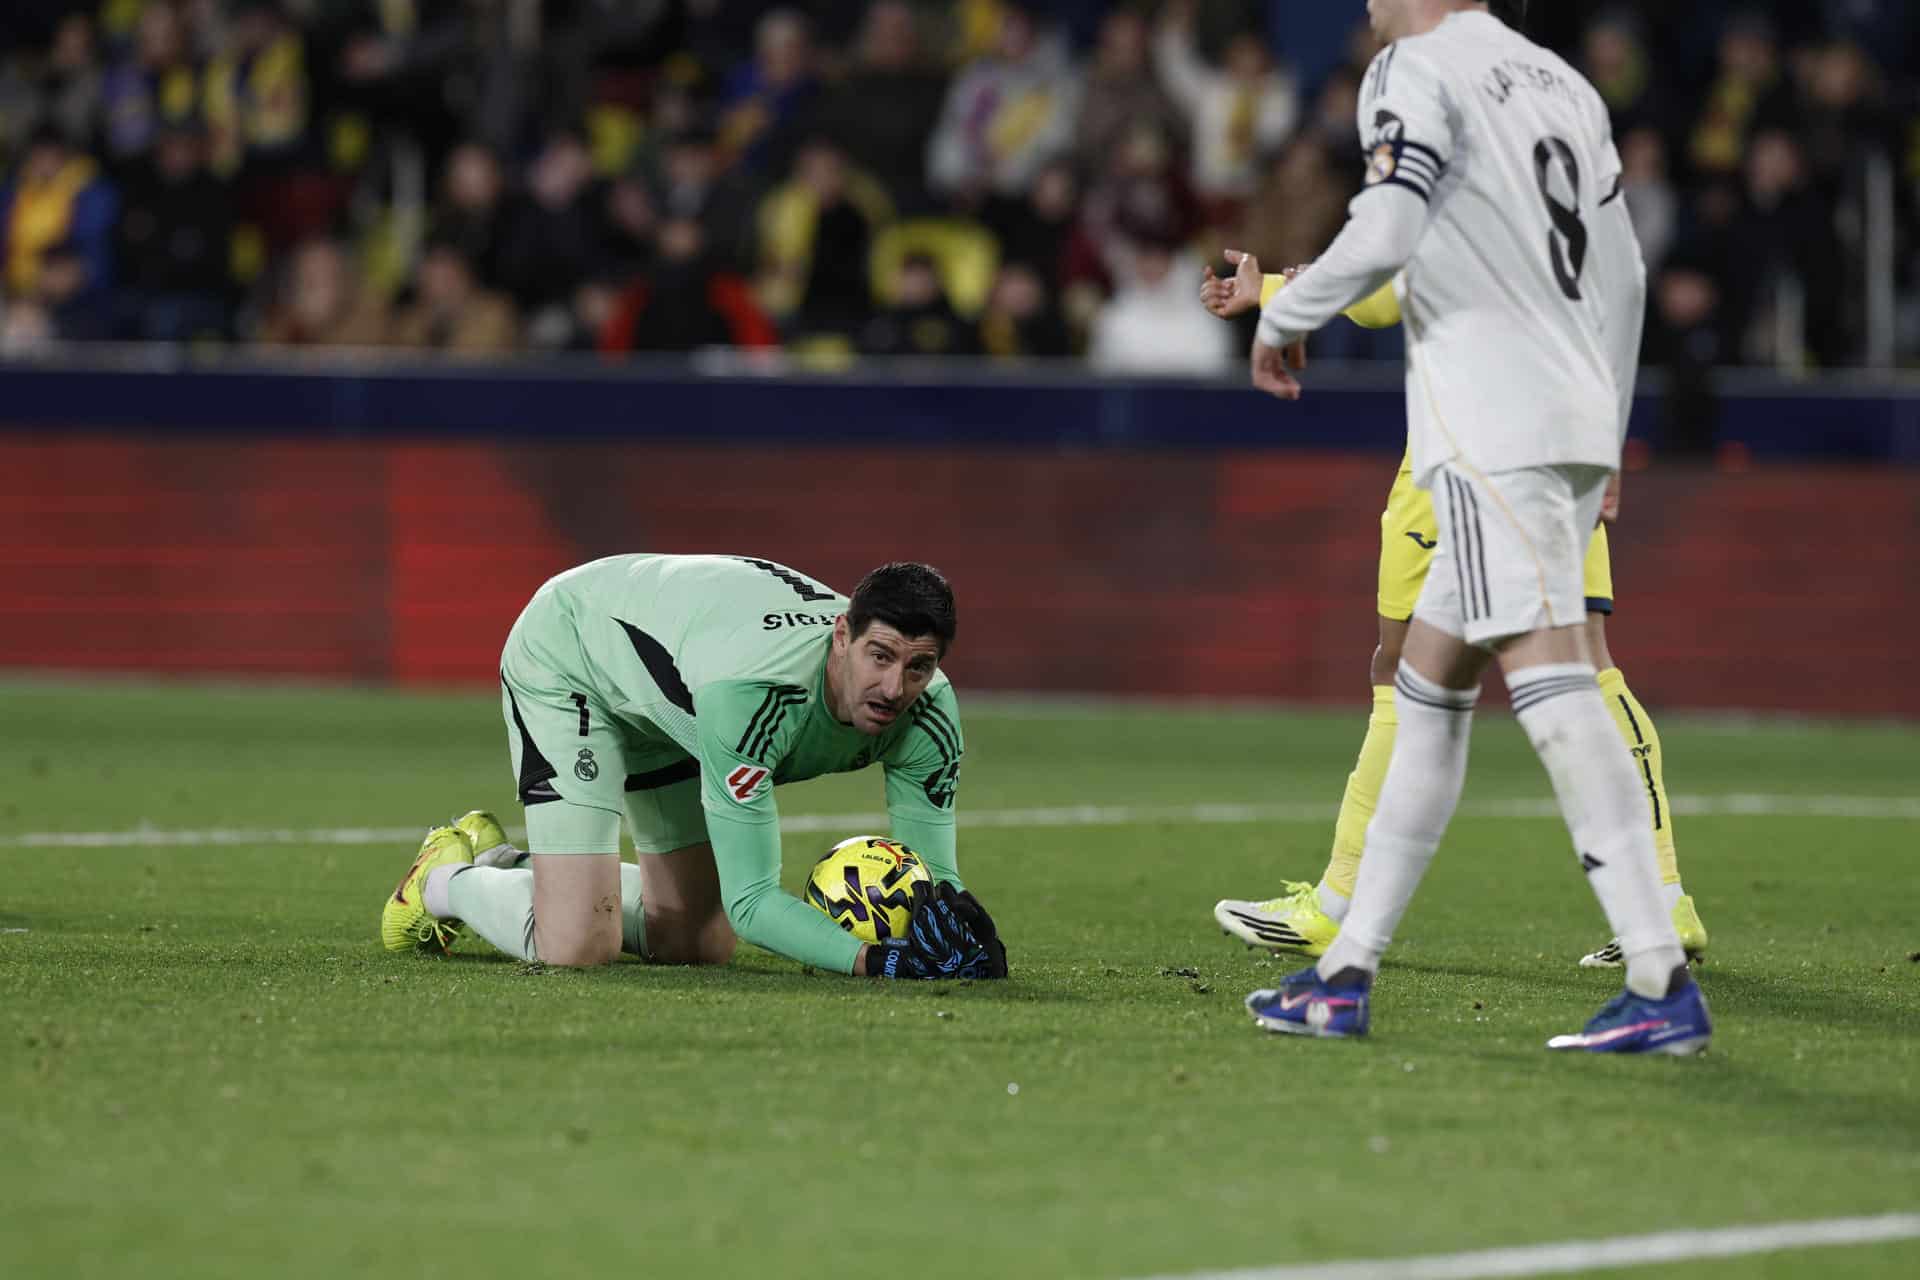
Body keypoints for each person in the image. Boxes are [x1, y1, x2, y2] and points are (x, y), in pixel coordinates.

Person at [1233, 0, 1708, 1054]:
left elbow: (1392, 229)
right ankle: (1347, 970)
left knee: (1556, 679)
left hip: (1490, 420)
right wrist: (1611, 425)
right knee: (1431, 681)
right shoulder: (1560, 84)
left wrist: (1287, 311)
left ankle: (1659, 975)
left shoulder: (1415, 71)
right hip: (1560, 413)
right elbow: (1624, 272)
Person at [1199, 264, 1707, 970]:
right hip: (1565, 436)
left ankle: (1336, 909)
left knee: (1406, 672)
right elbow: (1623, 290)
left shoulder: (1462, 177)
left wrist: (1281, 296)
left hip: (1465, 442)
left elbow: (1388, 281)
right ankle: (1664, 898)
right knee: (1588, 663)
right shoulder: (1581, 182)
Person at [380, 556, 1007, 982]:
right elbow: (753, 901)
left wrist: (959, 928)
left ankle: (514, 866)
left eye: (918, 667)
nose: (895, 687)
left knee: (695, 944)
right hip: (574, 655)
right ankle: (443, 880)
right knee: (575, 946)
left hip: (678, 696)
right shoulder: (756, 695)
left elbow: (933, 877)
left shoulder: (931, 716)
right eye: (880, 656)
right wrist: (875, 961)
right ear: (841, 636)